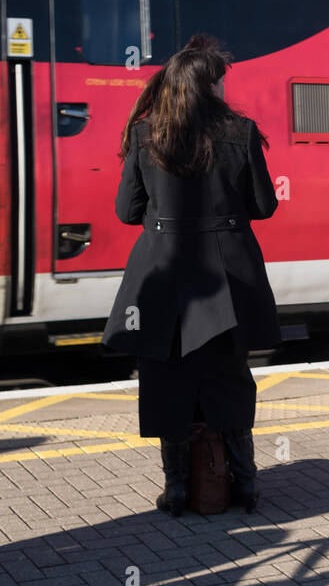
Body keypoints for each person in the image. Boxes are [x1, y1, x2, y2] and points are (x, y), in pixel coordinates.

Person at [102, 34, 281, 515]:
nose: (225, 89)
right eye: (221, 81)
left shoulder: (144, 135)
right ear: (208, 87)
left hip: (163, 276)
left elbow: (126, 211)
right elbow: (264, 206)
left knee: (165, 377)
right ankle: (246, 484)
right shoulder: (240, 132)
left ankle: (177, 488)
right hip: (227, 275)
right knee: (229, 375)